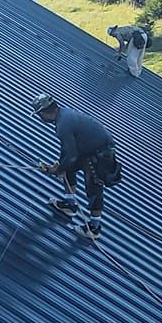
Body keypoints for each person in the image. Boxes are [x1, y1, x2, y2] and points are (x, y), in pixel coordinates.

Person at [36, 96, 119, 238]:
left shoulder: (63, 125)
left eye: (39, 115)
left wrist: (58, 170)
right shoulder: (63, 115)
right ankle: (70, 205)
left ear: (44, 112)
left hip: (100, 153)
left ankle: (94, 228)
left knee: (93, 187)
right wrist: (60, 165)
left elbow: (71, 155)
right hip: (88, 150)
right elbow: (68, 150)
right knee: (69, 168)